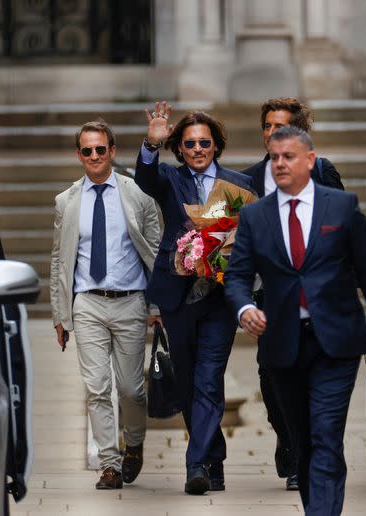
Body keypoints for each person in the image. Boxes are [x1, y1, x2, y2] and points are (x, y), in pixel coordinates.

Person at [224, 126, 366, 515]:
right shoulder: (256, 216)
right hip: (282, 344)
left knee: (326, 435)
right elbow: (238, 275)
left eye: (289, 156)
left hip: (336, 342)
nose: (280, 164)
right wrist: (244, 308)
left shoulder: (340, 207)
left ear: (310, 160)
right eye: (274, 157)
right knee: (304, 442)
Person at [134, 101, 254, 495]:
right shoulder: (170, 178)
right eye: (190, 144)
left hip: (219, 297)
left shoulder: (238, 186)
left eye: (205, 142)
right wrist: (151, 144)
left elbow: (251, 239)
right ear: (180, 148)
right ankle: (213, 461)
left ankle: (196, 464)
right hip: (177, 294)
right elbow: (144, 179)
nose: (198, 149)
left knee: (208, 379)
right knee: (187, 381)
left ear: (216, 146)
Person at [240, 96, 344, 491]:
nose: (272, 133)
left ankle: (306, 460)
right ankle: (287, 435)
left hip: (316, 297)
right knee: (273, 382)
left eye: (281, 126)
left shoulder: (324, 172)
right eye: (267, 126)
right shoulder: (247, 180)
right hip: (270, 297)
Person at [50, 120, 160, 489]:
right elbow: (59, 261)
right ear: (79, 154)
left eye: (101, 149)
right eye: (87, 150)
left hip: (130, 302)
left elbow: (156, 253)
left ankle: (135, 444)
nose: (94, 156)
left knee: (131, 389)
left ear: (112, 151)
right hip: (88, 305)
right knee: (97, 388)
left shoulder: (137, 195)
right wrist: (60, 313)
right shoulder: (66, 201)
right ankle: (109, 464)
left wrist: (157, 307)